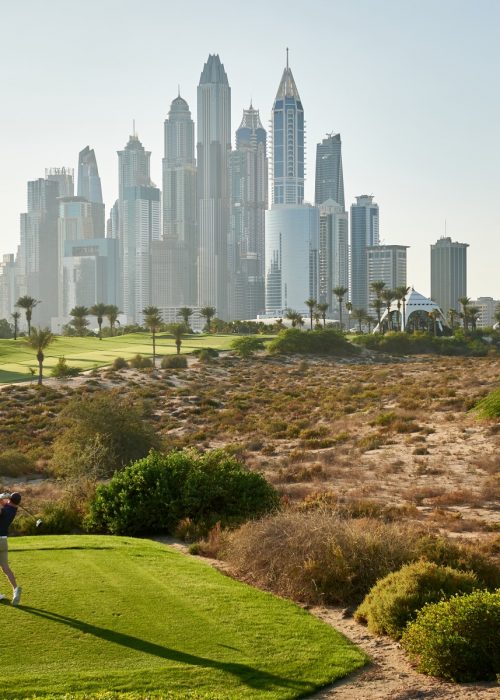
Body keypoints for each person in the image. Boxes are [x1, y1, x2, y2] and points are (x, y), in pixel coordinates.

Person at [0, 492, 22, 606]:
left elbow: (2, 506)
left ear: (10, 499)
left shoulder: (4, 509)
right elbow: (5, 504)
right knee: (5, 568)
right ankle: (15, 588)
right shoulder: (13, 510)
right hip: (4, 541)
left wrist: (1, 497)